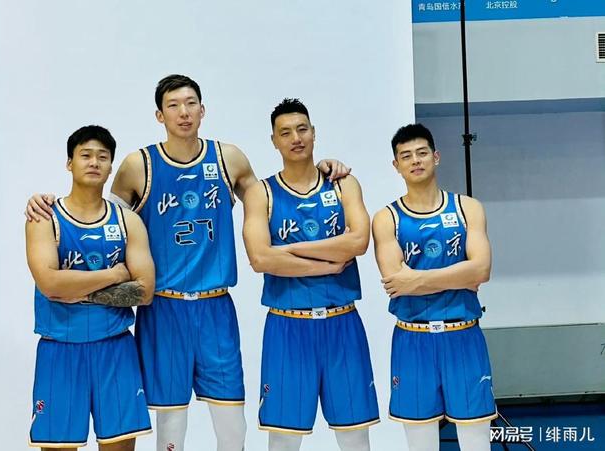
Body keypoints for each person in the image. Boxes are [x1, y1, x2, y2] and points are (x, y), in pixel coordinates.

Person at [25, 75, 350, 451]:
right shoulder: (138, 165)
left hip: (215, 305)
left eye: (190, 103)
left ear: (203, 110)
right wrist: (46, 202)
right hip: (165, 308)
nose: (183, 112)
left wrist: (317, 168)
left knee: (233, 423)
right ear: (159, 115)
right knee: (170, 422)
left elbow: (275, 198)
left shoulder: (228, 158)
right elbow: (102, 219)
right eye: (174, 105)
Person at [242, 99, 379, 451]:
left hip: (341, 322)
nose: (296, 138)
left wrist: (288, 250)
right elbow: (260, 258)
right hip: (288, 325)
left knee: (355, 434)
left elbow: (359, 242)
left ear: (314, 133)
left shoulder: (343, 184)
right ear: (274, 140)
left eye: (302, 129)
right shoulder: (261, 192)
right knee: (284, 437)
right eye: (285, 132)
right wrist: (327, 263)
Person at [25, 125, 155, 450]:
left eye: (102, 156)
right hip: (60, 348)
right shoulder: (44, 217)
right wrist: (114, 274)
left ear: (111, 167)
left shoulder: (127, 221)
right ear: (69, 163)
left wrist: (75, 290)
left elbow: (144, 291)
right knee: (58, 447)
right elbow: (50, 283)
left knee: (120, 446)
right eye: (85, 155)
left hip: (115, 348)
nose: (94, 162)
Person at [372, 123, 496, 451]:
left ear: (436, 157)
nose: (415, 160)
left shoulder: (467, 208)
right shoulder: (387, 218)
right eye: (406, 156)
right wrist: (458, 276)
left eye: (422, 153)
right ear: (396, 165)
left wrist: (416, 279)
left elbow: (481, 270)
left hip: (463, 335)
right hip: (413, 338)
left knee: (475, 438)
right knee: (420, 441)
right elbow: (395, 281)